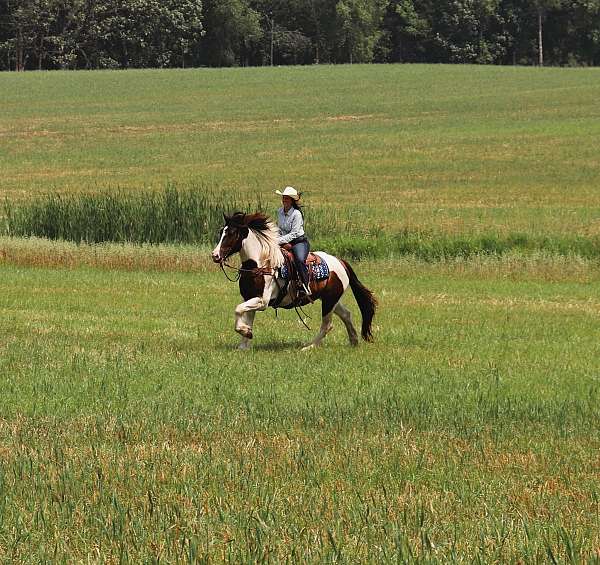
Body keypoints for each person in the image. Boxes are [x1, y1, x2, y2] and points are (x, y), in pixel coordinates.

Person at [275, 186, 312, 297]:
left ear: (292, 200)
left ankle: (305, 286)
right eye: (283, 197)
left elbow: (295, 233)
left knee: (299, 259)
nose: (284, 200)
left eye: (287, 198)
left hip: (298, 242)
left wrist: (278, 240)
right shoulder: (280, 211)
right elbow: (280, 229)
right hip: (283, 240)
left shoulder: (297, 214)